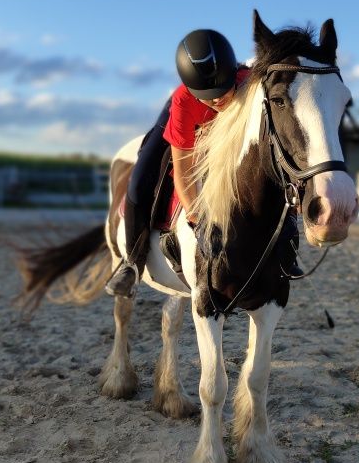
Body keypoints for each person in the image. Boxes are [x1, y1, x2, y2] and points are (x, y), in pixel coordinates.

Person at [105, 28, 301, 297]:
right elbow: (184, 175)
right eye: (207, 94)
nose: (217, 98)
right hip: (182, 116)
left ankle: (285, 247)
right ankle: (132, 263)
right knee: (140, 179)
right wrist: (199, 224)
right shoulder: (185, 101)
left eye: (223, 89)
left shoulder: (248, 85)